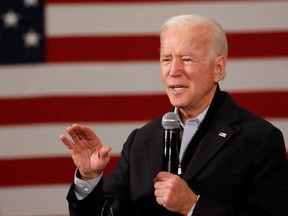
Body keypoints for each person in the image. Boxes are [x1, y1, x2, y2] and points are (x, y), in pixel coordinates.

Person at [60, 14, 288, 216]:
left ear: (217, 68)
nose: (174, 71)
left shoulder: (259, 139)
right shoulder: (141, 141)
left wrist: (193, 206)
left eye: (187, 59)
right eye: (166, 59)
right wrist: (89, 178)